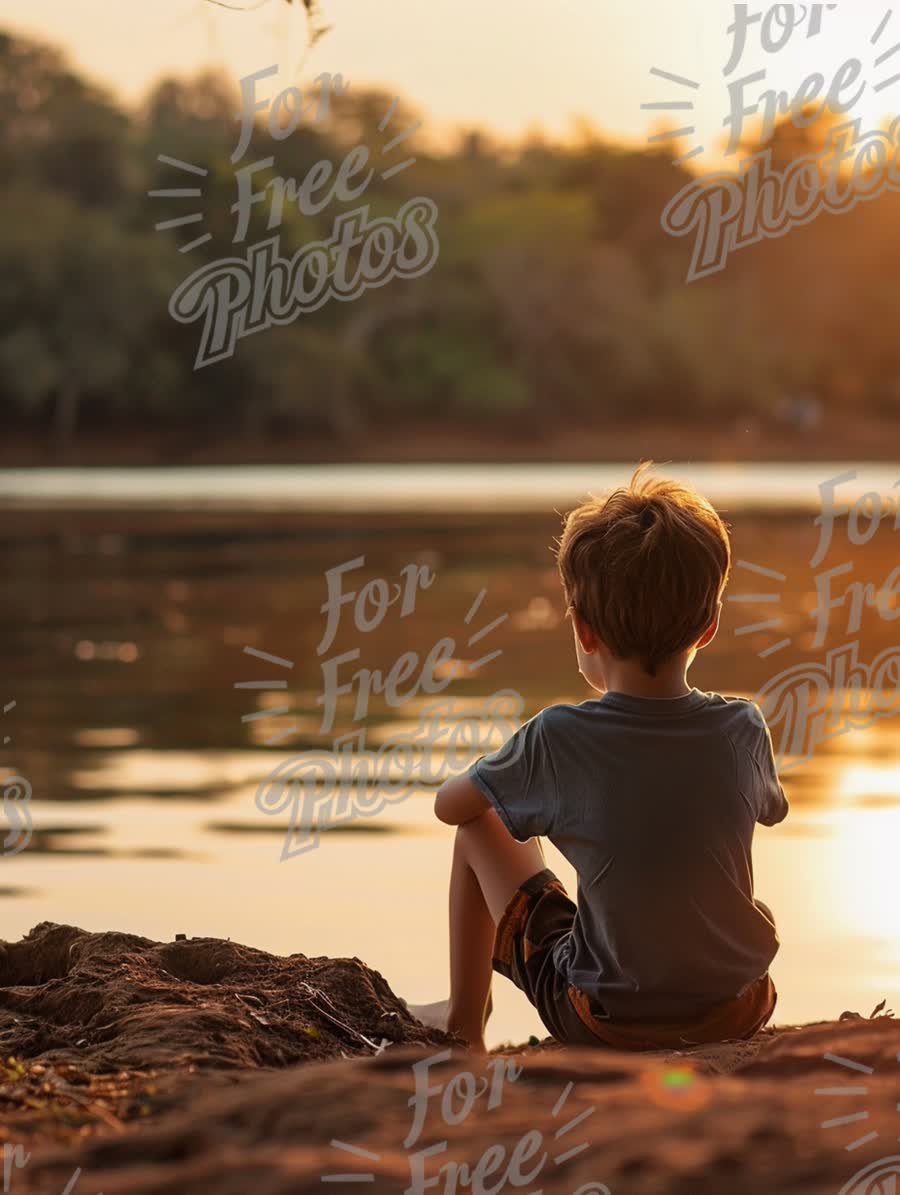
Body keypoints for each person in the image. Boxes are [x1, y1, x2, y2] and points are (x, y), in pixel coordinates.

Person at [410, 464, 788, 1053]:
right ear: (709, 627)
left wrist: (501, 774)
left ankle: (463, 1022)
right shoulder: (743, 726)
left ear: (584, 631)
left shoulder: (559, 736)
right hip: (739, 1007)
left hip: (607, 1020)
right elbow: (770, 811)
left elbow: (449, 807)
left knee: (478, 827)